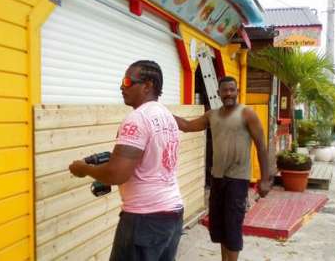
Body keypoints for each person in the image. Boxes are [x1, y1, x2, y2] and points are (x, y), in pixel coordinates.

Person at [69, 60, 183, 261]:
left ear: (147, 85)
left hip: (144, 220)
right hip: (172, 214)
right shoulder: (167, 116)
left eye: (128, 81)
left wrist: (84, 168)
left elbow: (116, 174)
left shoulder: (137, 118)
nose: (122, 86)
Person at [174, 76, 271, 261]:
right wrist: (162, 113)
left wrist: (265, 179)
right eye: (225, 90)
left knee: (233, 227)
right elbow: (187, 126)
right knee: (219, 227)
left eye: (232, 90)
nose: (228, 94)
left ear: (237, 91)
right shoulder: (212, 115)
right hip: (217, 179)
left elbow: (261, 146)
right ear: (218, 93)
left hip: (237, 179)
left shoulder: (247, 114)